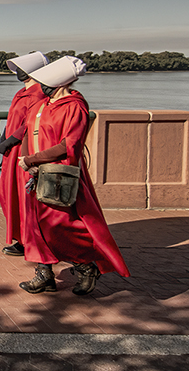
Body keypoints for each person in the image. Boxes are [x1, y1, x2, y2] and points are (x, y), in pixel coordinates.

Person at [16, 56, 130, 295]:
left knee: (61, 226)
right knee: (35, 226)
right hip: (36, 174)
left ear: (59, 83)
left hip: (59, 175)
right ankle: (44, 274)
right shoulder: (41, 105)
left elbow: (70, 144)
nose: (40, 86)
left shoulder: (75, 106)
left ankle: (86, 265)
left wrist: (33, 160)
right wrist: (27, 162)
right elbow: (28, 132)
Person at [0, 52, 48, 257]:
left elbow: (30, 124)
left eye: (22, 68)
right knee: (7, 193)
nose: (18, 72)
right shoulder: (21, 92)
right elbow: (13, 119)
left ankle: (28, 240)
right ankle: (20, 237)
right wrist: (4, 138)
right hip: (11, 151)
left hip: (22, 151)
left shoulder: (38, 94)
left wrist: (10, 141)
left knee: (23, 196)